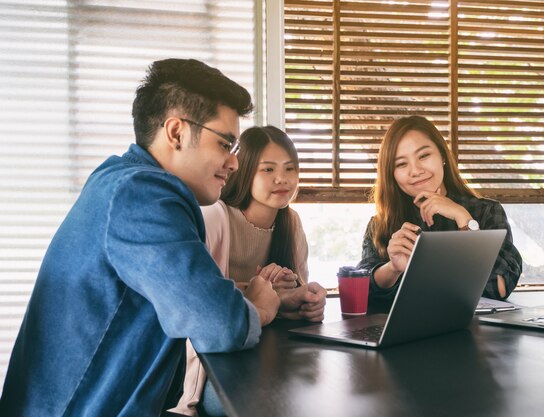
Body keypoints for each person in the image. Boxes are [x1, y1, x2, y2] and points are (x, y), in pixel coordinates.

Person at [0, 58, 281, 417]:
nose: (235, 163)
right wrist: (259, 309)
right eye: (225, 143)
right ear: (176, 132)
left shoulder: (120, 180)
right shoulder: (143, 194)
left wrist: (253, 296)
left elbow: (186, 295)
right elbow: (220, 325)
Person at [171, 125, 326, 416]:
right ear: (243, 171)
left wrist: (304, 302)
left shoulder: (290, 224)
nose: (282, 179)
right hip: (213, 364)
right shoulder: (215, 217)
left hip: (270, 356)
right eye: (267, 169)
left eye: (290, 168)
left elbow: (285, 301)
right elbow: (201, 308)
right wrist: (254, 293)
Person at [357, 115, 522, 310]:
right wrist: (393, 268)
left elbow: (499, 288)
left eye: (424, 156)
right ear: (391, 175)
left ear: (442, 156)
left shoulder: (486, 211)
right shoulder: (380, 224)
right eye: (401, 164)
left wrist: (464, 219)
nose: (415, 170)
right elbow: (360, 292)